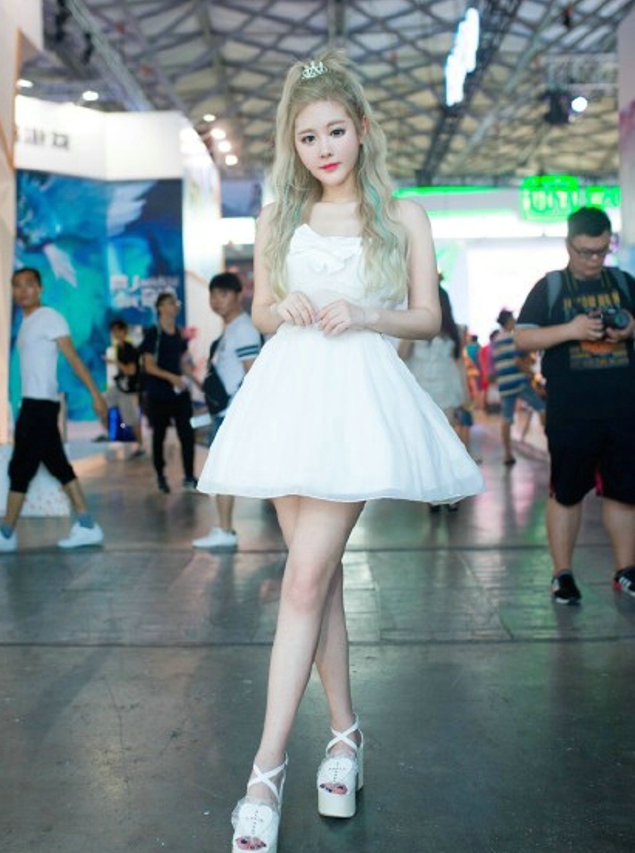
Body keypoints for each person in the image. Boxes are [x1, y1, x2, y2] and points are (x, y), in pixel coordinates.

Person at [196, 51, 483, 852]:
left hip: (356, 402)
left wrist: (363, 312)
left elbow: (427, 318)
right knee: (315, 583)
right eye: (307, 137)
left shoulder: (404, 215)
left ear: (361, 128)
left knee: (301, 581)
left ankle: (264, 773)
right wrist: (283, 305)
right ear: (293, 145)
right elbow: (260, 309)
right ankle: (346, 736)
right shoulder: (278, 218)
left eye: (334, 130)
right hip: (286, 397)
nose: (323, 148)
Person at [515, 206, 635, 605]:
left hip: (623, 408)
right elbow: (522, 339)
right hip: (571, 411)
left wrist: (630, 330)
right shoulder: (550, 287)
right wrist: (572, 329)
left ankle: (626, 571)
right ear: (569, 245)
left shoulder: (623, 283)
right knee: (566, 492)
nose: (594, 260)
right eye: (585, 252)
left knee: (624, 493)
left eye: (601, 250)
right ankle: (562, 574)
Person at [0, 267, 107, 553]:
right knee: (57, 465)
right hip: (34, 404)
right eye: (17, 285)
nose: (23, 291)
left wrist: (96, 394)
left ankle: (6, 534)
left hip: (40, 405)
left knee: (20, 468)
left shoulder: (49, 317)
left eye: (29, 284)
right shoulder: (26, 323)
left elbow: (73, 358)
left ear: (40, 288)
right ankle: (86, 525)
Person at [192, 272, 262, 550]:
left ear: (239, 295)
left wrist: (242, 413)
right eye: (213, 295)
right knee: (222, 471)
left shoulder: (243, 329)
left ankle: (226, 530)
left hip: (234, 414)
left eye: (223, 294)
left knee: (223, 471)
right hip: (226, 413)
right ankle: (224, 529)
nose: (216, 300)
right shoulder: (231, 329)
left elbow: (253, 374)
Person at [401, 287, 475, 504]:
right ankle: (433, 495)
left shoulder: (455, 330)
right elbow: (401, 356)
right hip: (422, 390)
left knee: (447, 439)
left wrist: (466, 394)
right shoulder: (413, 327)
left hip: (447, 388)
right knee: (427, 442)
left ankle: (451, 492)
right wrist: (408, 332)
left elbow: (459, 363)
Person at [140, 292, 197, 493]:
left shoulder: (179, 333)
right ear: (160, 308)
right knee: (159, 436)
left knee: (187, 434)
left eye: (175, 302)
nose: (174, 306)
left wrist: (198, 383)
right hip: (159, 394)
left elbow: (183, 363)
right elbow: (148, 365)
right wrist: (170, 377)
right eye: (169, 303)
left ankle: (189, 476)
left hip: (179, 393)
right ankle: (160, 476)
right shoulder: (153, 333)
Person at [491, 308, 545, 465]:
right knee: (541, 408)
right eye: (513, 319)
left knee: (506, 418)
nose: (515, 321)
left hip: (504, 383)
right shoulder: (513, 338)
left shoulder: (496, 341)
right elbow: (518, 360)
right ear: (508, 321)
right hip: (519, 381)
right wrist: (530, 373)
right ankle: (551, 441)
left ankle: (507, 454)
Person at [103, 318, 145, 457]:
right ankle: (109, 432)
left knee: (132, 419)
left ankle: (140, 445)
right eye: (113, 331)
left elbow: (131, 371)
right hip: (120, 386)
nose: (115, 333)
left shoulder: (129, 349)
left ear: (124, 331)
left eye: (118, 330)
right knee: (101, 403)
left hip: (128, 390)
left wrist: (115, 362)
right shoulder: (119, 348)